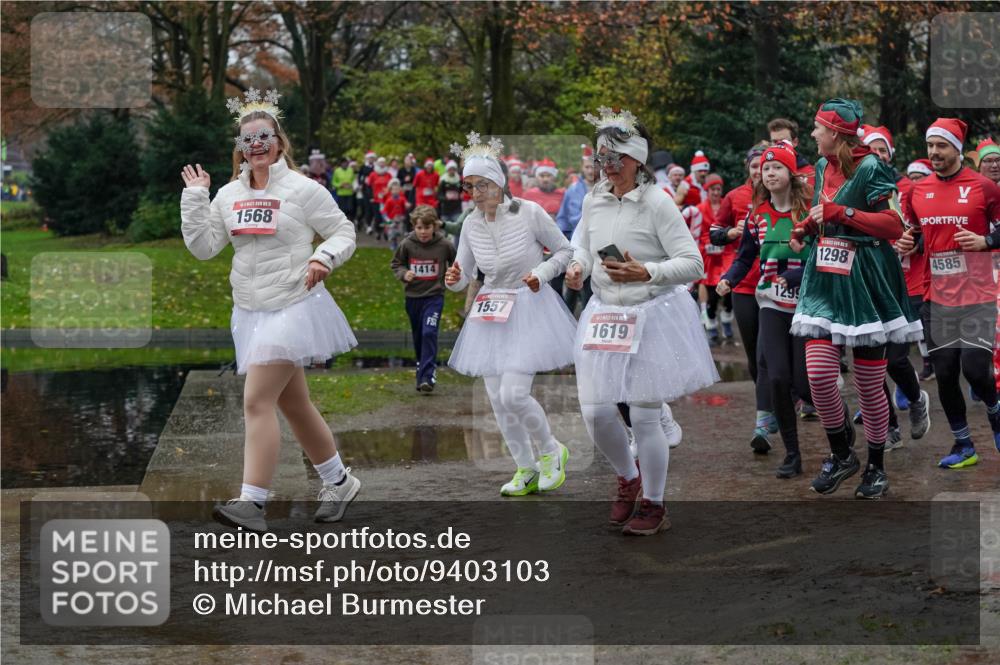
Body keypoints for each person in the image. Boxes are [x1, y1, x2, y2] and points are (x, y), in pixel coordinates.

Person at [181, 88, 360, 532]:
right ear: (239, 149)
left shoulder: (303, 190)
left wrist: (324, 258)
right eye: (248, 139)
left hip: (294, 304)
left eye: (264, 136)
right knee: (294, 404)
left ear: (279, 142)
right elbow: (204, 249)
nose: (256, 145)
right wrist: (195, 199)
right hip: (250, 309)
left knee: (257, 400)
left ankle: (253, 503)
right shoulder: (226, 195)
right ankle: (339, 481)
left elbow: (343, 231)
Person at [567, 107, 717, 536]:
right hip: (603, 313)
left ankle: (654, 503)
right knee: (595, 411)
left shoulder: (657, 202)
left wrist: (646, 271)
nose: (606, 168)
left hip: (650, 315)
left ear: (635, 160)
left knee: (644, 415)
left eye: (614, 160)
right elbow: (582, 241)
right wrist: (577, 265)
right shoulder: (595, 197)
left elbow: (694, 264)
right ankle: (627, 477)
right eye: (601, 159)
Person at [789, 98, 922, 499]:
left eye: (817, 128)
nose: (812, 135)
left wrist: (842, 213)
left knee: (868, 383)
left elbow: (893, 225)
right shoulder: (819, 167)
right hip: (826, 279)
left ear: (835, 134)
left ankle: (876, 467)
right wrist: (804, 230)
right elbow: (822, 214)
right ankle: (843, 453)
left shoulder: (871, 167)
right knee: (817, 374)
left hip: (867, 280)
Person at [444, 132, 577, 497]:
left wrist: (542, 274)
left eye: (482, 184)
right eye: (470, 186)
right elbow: (464, 275)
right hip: (489, 312)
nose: (475, 193)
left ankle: (552, 451)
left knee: (515, 394)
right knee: (498, 399)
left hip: (529, 306)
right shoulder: (470, 223)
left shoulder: (530, 212)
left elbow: (566, 251)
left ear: (499, 184)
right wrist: (453, 279)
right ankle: (525, 468)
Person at [897, 118, 1000, 468]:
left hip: (978, 294)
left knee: (974, 369)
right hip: (936, 295)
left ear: (957, 148)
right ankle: (963, 445)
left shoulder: (984, 187)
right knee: (944, 372)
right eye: (930, 146)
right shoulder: (917, 191)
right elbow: (915, 233)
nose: (934, 152)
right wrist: (909, 242)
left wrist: (986, 241)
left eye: (941, 146)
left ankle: (995, 410)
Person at [717, 142, 813, 477]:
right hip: (771, 303)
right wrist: (729, 279)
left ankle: (840, 433)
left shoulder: (810, 212)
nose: (769, 173)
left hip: (807, 305)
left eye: (777, 167)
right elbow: (745, 255)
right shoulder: (757, 215)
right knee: (777, 378)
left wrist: (800, 273)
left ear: (791, 173)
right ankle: (792, 453)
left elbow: (827, 252)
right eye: (766, 168)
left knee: (804, 383)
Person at [857, 124, 933, 440]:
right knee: (869, 361)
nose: (876, 156)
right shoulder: (855, 187)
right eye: (870, 150)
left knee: (895, 359)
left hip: (905, 284)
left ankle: (916, 399)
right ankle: (888, 427)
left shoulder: (909, 189)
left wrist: (913, 243)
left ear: (890, 155)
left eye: (882, 150)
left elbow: (924, 231)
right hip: (868, 284)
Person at [709, 143, 783, 447]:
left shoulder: (782, 198)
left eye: (765, 166)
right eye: (755, 167)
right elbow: (714, 233)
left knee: (770, 354)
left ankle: (766, 418)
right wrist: (731, 234)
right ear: (748, 167)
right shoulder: (734, 197)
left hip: (776, 285)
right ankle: (768, 406)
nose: (759, 172)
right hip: (742, 284)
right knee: (754, 354)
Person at [391, 205, 457, 393]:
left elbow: (457, 263)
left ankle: (428, 375)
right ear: (414, 227)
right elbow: (396, 263)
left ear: (434, 227)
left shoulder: (445, 245)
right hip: (413, 297)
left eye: (427, 228)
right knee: (419, 336)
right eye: (419, 228)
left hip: (434, 296)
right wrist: (404, 273)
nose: (423, 232)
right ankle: (422, 371)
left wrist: (453, 275)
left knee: (429, 332)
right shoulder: (407, 244)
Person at [557, 145, 597, 314]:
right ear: (582, 168)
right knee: (574, 284)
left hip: (598, 244)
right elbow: (567, 218)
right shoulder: (573, 190)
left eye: (594, 166)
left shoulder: (605, 187)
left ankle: (588, 316)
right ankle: (566, 318)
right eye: (587, 167)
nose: (590, 170)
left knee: (589, 285)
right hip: (577, 242)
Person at [697, 173, 734, 344]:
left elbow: (732, 227)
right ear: (707, 190)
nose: (716, 192)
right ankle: (711, 326)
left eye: (719, 189)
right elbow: (697, 232)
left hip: (726, 255)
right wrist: (708, 242)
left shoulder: (728, 206)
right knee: (711, 296)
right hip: (709, 258)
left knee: (728, 292)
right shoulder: (700, 209)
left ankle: (727, 322)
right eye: (713, 189)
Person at [768, 117, 815, 185]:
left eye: (783, 141)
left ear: (795, 142)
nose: (779, 145)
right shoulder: (764, 171)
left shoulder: (809, 174)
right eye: (775, 142)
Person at [381, 178, 411, 249]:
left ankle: (393, 237)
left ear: (400, 190)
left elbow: (405, 203)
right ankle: (393, 242)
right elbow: (384, 211)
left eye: (397, 189)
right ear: (391, 191)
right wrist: (387, 219)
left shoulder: (402, 198)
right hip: (391, 219)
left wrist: (407, 205)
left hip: (400, 218)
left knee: (399, 232)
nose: (396, 191)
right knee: (392, 233)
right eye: (394, 190)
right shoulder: (389, 200)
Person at [438, 159, 463, 224]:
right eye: (450, 169)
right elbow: (439, 194)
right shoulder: (443, 180)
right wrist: (445, 198)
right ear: (447, 170)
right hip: (445, 209)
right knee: (445, 229)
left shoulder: (459, 180)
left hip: (456, 208)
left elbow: (462, 191)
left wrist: (460, 196)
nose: (452, 171)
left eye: (453, 169)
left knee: (456, 227)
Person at [357, 150, 377, 231]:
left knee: (373, 208)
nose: (371, 159)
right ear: (367, 158)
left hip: (374, 190)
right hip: (365, 190)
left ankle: (371, 224)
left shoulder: (376, 167)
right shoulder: (363, 167)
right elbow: (359, 177)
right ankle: (364, 223)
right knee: (366, 207)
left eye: (372, 158)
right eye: (370, 158)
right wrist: (361, 184)